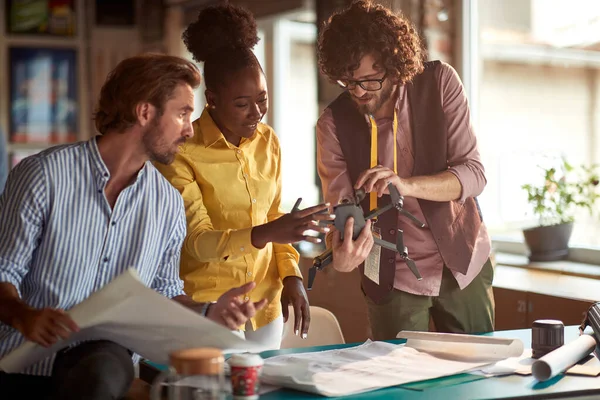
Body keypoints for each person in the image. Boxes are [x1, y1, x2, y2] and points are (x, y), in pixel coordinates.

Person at [0, 53, 267, 400]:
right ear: (145, 112)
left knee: (104, 365)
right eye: (182, 113)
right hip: (25, 370)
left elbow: (165, 294)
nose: (190, 128)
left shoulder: (167, 204)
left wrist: (208, 312)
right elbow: (4, 272)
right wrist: (25, 316)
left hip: (105, 374)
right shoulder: (43, 176)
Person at [155, 4, 332, 350]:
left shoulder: (268, 141)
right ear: (213, 99)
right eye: (242, 104)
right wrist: (268, 232)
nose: (256, 113)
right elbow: (196, 242)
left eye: (262, 99)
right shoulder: (182, 152)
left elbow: (275, 216)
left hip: (266, 306)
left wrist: (291, 276)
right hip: (209, 307)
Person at [316, 0, 494, 340]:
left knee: (476, 379)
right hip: (390, 274)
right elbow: (341, 212)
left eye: (369, 80)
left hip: (462, 259)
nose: (358, 92)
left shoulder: (440, 83)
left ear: (393, 63)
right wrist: (341, 253)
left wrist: (406, 185)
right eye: (348, 82)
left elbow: (474, 173)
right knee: (397, 385)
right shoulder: (331, 125)